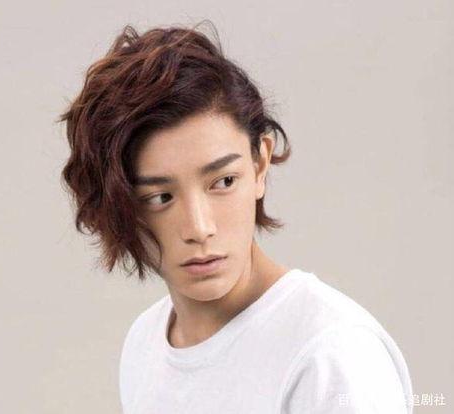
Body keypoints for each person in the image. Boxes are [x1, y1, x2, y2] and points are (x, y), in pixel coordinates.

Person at [58, 21, 414, 413]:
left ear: (260, 164)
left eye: (224, 182)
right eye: (160, 197)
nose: (199, 228)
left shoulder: (331, 355)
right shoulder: (145, 345)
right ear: (115, 207)